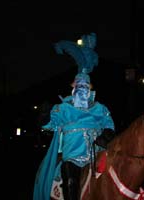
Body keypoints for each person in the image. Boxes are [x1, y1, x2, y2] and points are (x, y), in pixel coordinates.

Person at [33, 32, 115, 200]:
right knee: (71, 180)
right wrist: (44, 115)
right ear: (73, 86)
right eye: (79, 85)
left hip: (98, 152)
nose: (82, 87)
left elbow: (109, 125)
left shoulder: (100, 108)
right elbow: (50, 125)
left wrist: (106, 135)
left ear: (91, 87)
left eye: (86, 85)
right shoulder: (62, 108)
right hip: (73, 155)